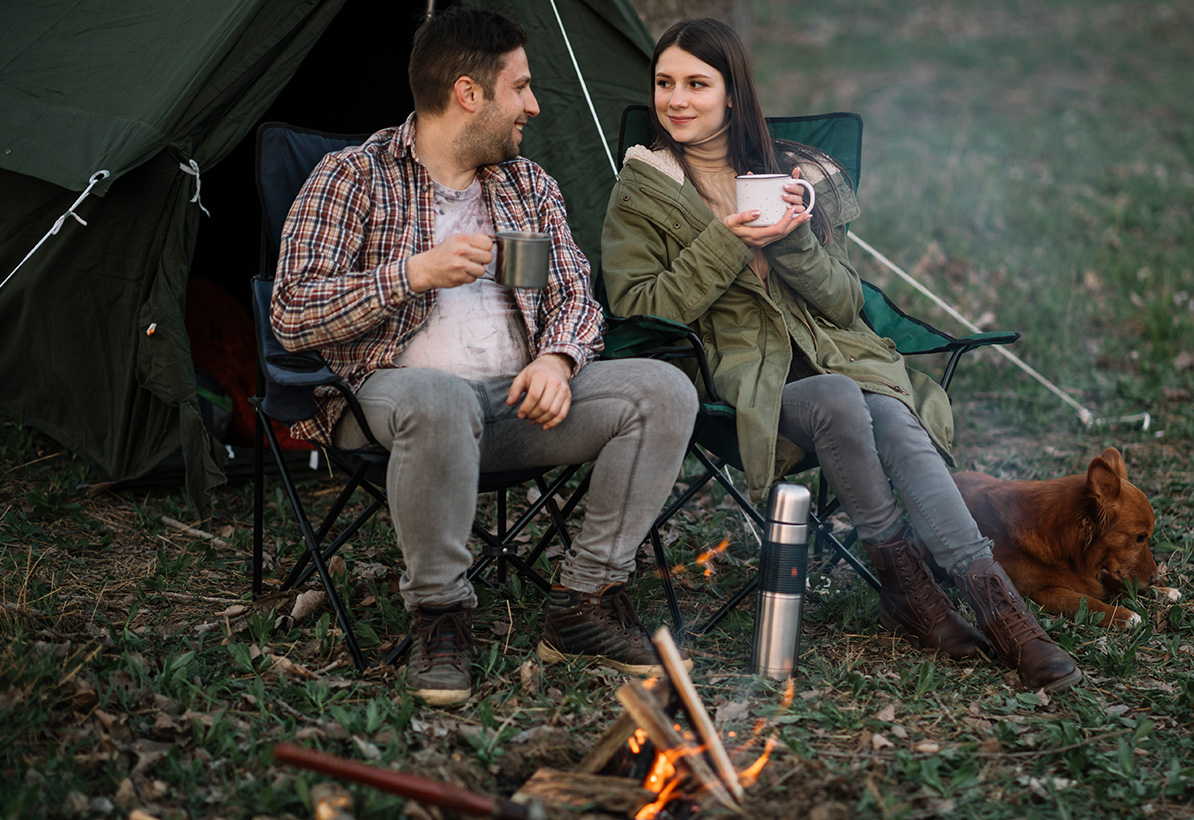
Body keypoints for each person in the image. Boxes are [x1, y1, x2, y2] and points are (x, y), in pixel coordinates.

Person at [600, 17, 1082, 692]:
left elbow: (841, 304)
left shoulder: (781, 176)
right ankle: (913, 589)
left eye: (696, 84)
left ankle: (1003, 613)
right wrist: (728, 243)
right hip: (736, 381)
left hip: (837, 359)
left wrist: (796, 238)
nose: (676, 99)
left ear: (731, 93)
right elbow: (638, 304)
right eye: (665, 83)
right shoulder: (643, 189)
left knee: (891, 417)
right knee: (838, 397)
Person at [271, 7, 697, 707]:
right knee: (436, 397)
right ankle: (440, 613)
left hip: (513, 403)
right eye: (521, 87)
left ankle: (583, 604)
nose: (533, 104)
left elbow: (576, 300)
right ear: (470, 93)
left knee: (664, 390)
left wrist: (558, 361)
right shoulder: (352, 177)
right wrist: (410, 274)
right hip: (388, 400)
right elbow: (290, 313)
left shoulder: (526, 185)